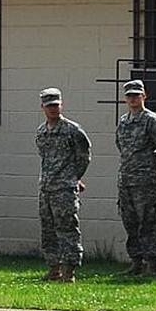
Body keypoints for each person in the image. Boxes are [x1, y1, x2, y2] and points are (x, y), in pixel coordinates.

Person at [115, 80, 156, 276]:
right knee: (130, 222)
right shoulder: (124, 121)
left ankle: (152, 263)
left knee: (148, 223)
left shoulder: (152, 120)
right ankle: (136, 261)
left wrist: (153, 170)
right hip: (126, 181)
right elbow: (121, 147)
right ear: (125, 98)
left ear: (144, 96)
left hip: (146, 182)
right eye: (129, 95)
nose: (133, 99)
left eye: (136, 95)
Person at [34, 88, 91, 283]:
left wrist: (74, 177)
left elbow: (84, 157)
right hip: (46, 188)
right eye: (49, 106)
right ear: (42, 107)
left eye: (56, 105)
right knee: (48, 230)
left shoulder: (72, 130)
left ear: (61, 105)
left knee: (67, 228)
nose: (53, 109)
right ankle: (53, 268)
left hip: (64, 189)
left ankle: (69, 271)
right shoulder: (41, 132)